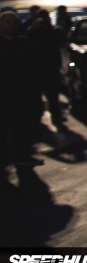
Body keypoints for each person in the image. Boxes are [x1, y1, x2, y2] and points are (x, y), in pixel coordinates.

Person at [0, 10, 42, 167]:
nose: (11, 26)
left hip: (21, 94)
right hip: (3, 94)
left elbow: (32, 68)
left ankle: (22, 157)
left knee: (22, 128)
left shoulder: (22, 43)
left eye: (14, 23)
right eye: (7, 22)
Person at [26, 8, 67, 129]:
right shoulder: (33, 31)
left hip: (51, 68)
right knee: (36, 96)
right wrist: (34, 28)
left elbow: (61, 42)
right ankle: (37, 117)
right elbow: (28, 44)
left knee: (53, 95)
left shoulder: (55, 31)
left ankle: (56, 116)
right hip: (37, 69)